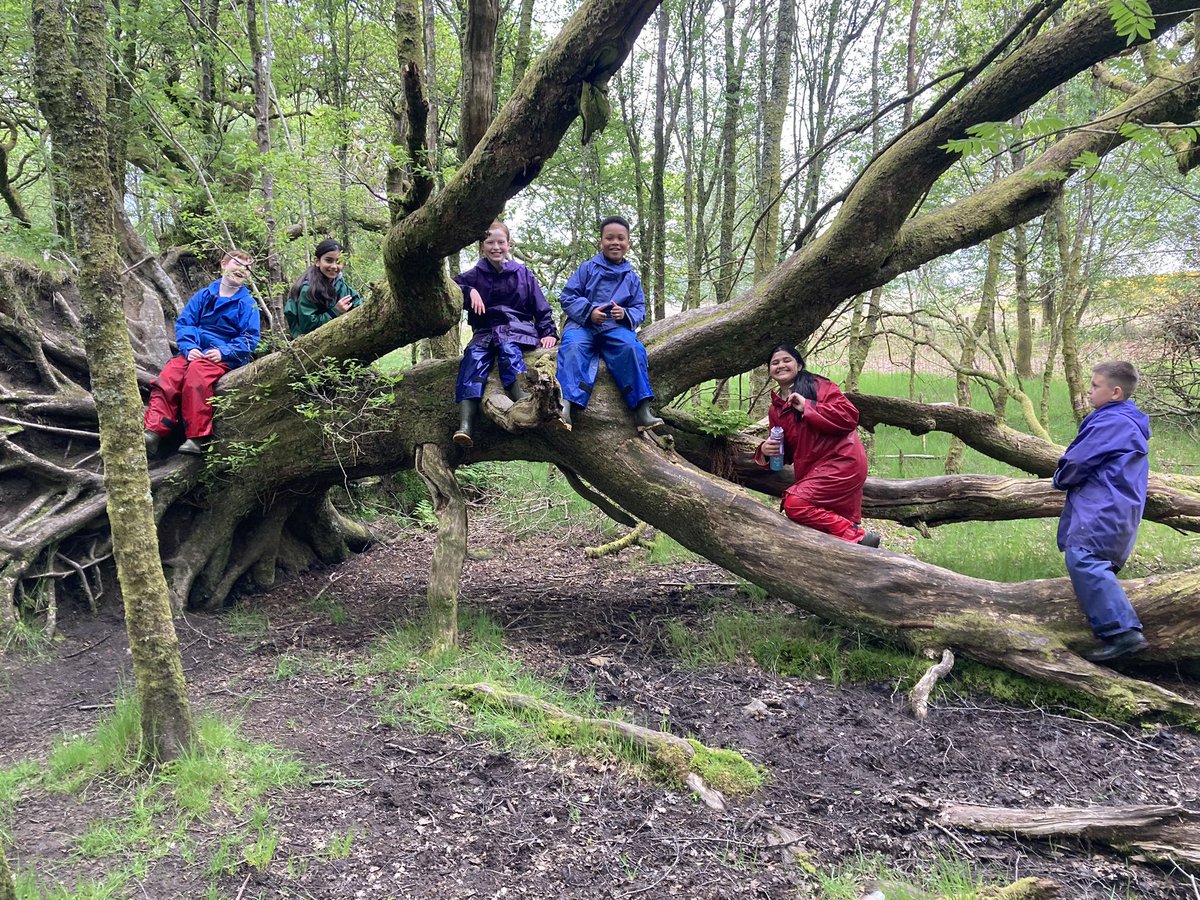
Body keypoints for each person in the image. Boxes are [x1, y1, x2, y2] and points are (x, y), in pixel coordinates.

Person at [1053, 361, 1150, 663]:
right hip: (1119, 505)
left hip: (1105, 504)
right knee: (1093, 557)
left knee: (1084, 557)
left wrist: (1059, 478)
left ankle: (1123, 632)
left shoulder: (1110, 422)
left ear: (1115, 392)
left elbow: (1078, 461)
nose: (1089, 390)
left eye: (1095, 386)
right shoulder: (1126, 421)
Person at [755, 345, 880, 547]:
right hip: (813, 470)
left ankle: (857, 535)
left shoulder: (818, 386)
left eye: (786, 360)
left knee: (794, 504)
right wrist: (765, 451)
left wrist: (808, 406)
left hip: (843, 461)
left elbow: (849, 417)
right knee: (829, 522)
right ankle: (852, 549)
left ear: (799, 365)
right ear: (769, 371)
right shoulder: (776, 408)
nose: (781, 365)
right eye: (775, 363)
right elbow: (785, 453)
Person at [143, 249, 261, 455]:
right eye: (237, 263)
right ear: (223, 264)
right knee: (171, 373)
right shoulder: (204, 296)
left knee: (197, 376)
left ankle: (196, 437)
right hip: (196, 352)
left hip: (224, 357)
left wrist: (224, 352)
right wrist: (190, 348)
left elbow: (250, 338)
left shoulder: (247, 304)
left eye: (248, 267)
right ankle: (154, 431)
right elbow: (186, 323)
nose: (242, 269)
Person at [452, 221, 558, 447]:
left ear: (509, 244)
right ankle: (465, 425)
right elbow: (448, 287)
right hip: (485, 332)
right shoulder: (473, 275)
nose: (496, 247)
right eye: (490, 242)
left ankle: (524, 401)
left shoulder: (523, 274)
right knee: (472, 359)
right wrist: (468, 291)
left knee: (509, 352)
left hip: (517, 330)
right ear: (482, 246)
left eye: (501, 242)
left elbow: (541, 307)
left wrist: (548, 332)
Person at [556, 216, 662, 431]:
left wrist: (624, 313)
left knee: (632, 348)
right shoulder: (587, 269)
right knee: (572, 347)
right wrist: (589, 312)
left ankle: (641, 410)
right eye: (609, 238)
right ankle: (564, 406)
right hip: (582, 326)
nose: (615, 242)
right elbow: (567, 297)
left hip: (615, 328)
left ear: (628, 244)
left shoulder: (632, 277)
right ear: (600, 242)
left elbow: (639, 308)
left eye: (621, 238)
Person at [284, 238, 362, 337]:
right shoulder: (308, 289)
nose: (334, 266)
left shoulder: (340, 284)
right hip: (310, 343)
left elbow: (357, 302)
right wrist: (335, 311)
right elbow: (308, 327)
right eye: (329, 260)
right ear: (317, 261)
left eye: (338, 262)